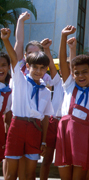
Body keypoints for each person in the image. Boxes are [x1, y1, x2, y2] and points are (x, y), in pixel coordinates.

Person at [55, 26, 89, 180]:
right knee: (65, 176)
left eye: (85, 72)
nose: (80, 75)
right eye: (76, 73)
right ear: (72, 74)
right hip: (64, 133)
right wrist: (63, 37)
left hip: (85, 138)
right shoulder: (69, 85)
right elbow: (63, 61)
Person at [1, 28, 53, 180]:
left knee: (30, 174)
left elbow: (45, 118)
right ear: (27, 66)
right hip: (17, 127)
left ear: (46, 69)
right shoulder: (20, 80)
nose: (38, 71)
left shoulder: (46, 91)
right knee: (11, 174)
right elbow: (13, 58)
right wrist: (5, 40)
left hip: (34, 130)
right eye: (35, 67)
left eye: (42, 68)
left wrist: (43, 140)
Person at [39, 39, 64, 180]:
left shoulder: (80, 85)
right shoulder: (59, 81)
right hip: (53, 122)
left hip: (66, 124)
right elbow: (51, 66)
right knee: (47, 159)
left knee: (64, 161)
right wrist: (46, 49)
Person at [0, 52, 12, 161]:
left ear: (8, 67)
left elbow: (8, 120)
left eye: (3, 65)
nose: (0, 68)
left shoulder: (10, 92)